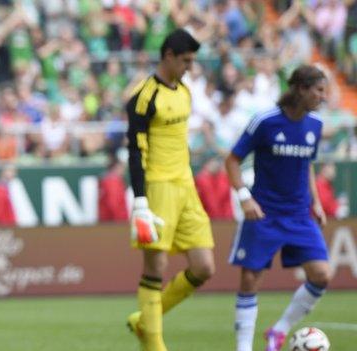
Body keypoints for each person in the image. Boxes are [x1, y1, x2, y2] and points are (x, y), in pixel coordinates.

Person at [224, 65, 330, 351]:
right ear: (301, 89)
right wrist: (245, 197)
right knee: (249, 279)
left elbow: (306, 163)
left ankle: (278, 331)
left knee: (322, 275)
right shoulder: (265, 121)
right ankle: (243, 348)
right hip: (264, 213)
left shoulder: (315, 125)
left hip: (299, 214)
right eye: (319, 90)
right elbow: (232, 159)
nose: (323, 96)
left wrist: (316, 202)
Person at [125, 29, 215, 351]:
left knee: (204, 267)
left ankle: (144, 321)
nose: (190, 66)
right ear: (169, 56)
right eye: (186, 60)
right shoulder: (144, 97)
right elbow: (135, 151)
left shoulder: (185, 91)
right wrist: (140, 201)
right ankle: (154, 344)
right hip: (159, 186)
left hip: (186, 185)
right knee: (156, 267)